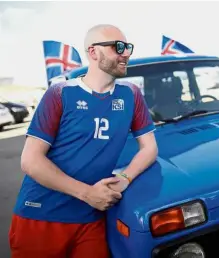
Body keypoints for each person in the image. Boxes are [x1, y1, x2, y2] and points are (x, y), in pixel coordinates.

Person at [9, 24, 158, 258]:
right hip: (41, 216)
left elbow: (149, 148)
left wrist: (125, 178)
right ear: (93, 52)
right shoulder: (60, 93)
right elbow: (30, 161)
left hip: (92, 218)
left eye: (128, 47)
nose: (126, 53)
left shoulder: (131, 94)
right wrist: (88, 193)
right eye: (118, 47)